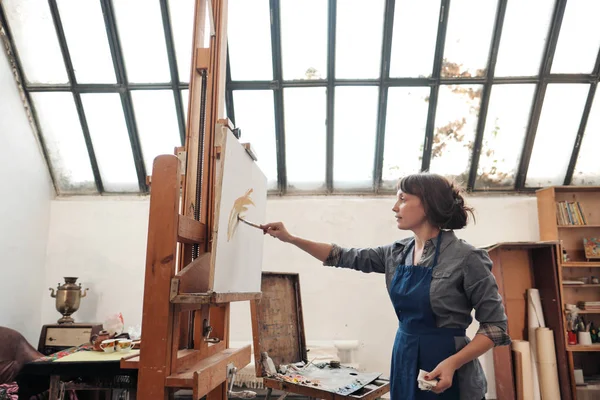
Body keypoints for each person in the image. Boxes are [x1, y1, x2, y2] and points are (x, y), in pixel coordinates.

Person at [260, 173, 510, 400]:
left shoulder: (468, 257)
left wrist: (453, 363)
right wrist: (290, 238)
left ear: (427, 203)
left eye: (402, 199)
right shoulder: (397, 253)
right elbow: (342, 256)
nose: (394, 207)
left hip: (447, 364)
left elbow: (495, 327)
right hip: (404, 356)